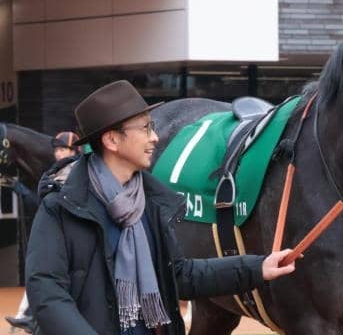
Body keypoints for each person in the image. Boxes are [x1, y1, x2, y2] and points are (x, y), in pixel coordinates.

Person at [25, 80, 296, 335]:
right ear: (112, 140)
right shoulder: (60, 208)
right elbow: (47, 294)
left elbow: (180, 276)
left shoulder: (150, 203)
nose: (154, 137)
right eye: (145, 128)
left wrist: (257, 267)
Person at [5, 131, 82, 333]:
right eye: (56, 149)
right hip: (60, 231)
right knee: (41, 273)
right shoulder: (56, 172)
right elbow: (45, 204)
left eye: (63, 149)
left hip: (75, 234)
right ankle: (27, 316)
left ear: (74, 150)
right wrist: (21, 189)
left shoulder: (78, 171)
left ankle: (30, 317)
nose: (58, 153)